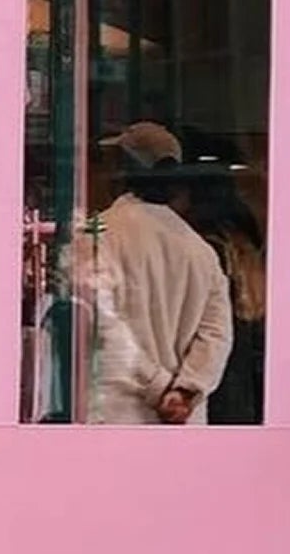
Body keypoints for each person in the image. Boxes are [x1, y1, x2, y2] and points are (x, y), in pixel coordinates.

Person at [83, 122, 233, 425]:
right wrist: (185, 391)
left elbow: (98, 324)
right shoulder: (200, 251)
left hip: (115, 415)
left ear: (120, 170)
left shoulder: (96, 236)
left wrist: (158, 385)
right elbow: (217, 335)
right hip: (181, 421)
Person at [186, 168, 266, 424]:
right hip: (248, 342)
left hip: (220, 358)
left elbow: (209, 322)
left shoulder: (204, 245)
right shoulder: (245, 236)